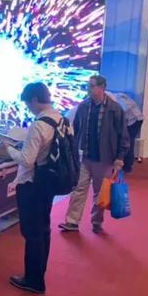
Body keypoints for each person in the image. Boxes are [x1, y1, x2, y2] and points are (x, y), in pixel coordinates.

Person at [3, 83, 65, 294]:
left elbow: (27, 160)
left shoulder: (39, 125)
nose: (28, 108)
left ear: (35, 100)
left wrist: (9, 148)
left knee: (32, 233)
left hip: (32, 184)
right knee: (43, 229)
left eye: (28, 104)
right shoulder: (61, 119)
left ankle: (33, 280)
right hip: (49, 182)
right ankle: (39, 273)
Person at [59, 75, 129, 234]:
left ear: (102, 87)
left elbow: (123, 135)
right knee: (79, 188)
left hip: (105, 158)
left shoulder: (115, 109)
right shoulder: (83, 106)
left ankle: (96, 221)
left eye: (91, 86)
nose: (88, 88)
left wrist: (120, 157)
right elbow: (77, 128)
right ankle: (72, 221)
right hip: (85, 157)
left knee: (100, 192)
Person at [111, 92, 144, 173]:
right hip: (129, 119)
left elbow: (121, 119)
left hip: (135, 121)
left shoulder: (120, 103)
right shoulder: (115, 98)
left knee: (128, 141)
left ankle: (127, 167)